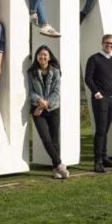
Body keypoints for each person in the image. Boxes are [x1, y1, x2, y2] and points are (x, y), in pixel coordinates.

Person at [27, 45, 68, 179]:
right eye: (40, 54)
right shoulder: (31, 72)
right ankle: (60, 164)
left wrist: (44, 105)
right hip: (37, 109)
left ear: (49, 57)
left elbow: (56, 92)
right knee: (46, 139)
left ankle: (55, 170)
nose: (42, 57)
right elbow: (30, 91)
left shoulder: (56, 72)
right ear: (37, 57)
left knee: (55, 140)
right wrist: (39, 101)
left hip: (53, 108)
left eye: (45, 54)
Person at [85, 34, 112, 173]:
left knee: (105, 130)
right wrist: (97, 93)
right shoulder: (94, 59)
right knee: (100, 130)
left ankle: (105, 157)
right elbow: (88, 79)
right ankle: (98, 161)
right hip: (100, 99)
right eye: (107, 43)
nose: (109, 45)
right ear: (102, 43)